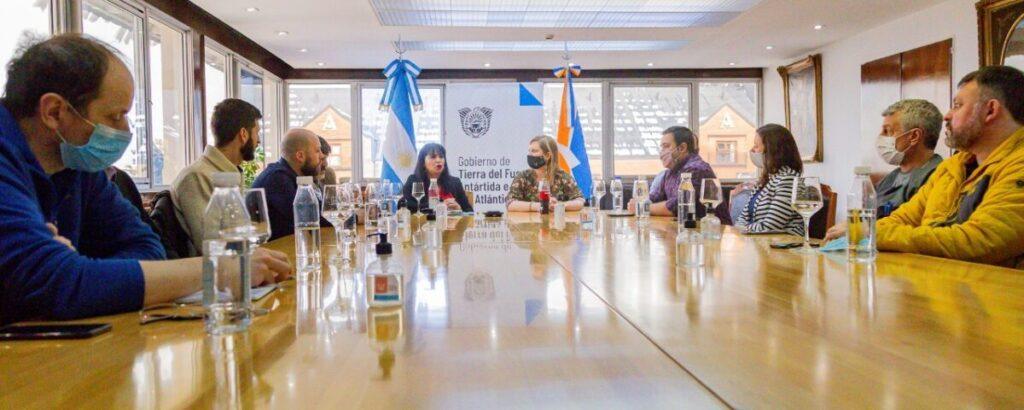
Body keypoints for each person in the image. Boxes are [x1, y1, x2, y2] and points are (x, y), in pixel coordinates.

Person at [0, 34, 289, 325]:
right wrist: (222, 270)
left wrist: (79, 272)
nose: (126, 130)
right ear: (54, 112)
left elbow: (149, 250)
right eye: (115, 116)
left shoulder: (79, 166)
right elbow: (55, 283)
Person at [874, 66, 1024, 268]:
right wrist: (870, 232)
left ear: (990, 110)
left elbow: (978, 241)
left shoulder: (1018, 164)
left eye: (957, 105)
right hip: (937, 280)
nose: (947, 115)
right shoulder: (953, 165)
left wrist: (878, 235)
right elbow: (904, 217)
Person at [824, 99, 943, 241]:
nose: (880, 137)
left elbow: (920, 234)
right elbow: (866, 219)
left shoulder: (939, 177)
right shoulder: (890, 178)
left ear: (914, 136)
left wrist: (862, 230)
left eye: (887, 131)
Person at [171, 98, 261, 255]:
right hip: (213, 269)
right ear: (244, 134)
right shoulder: (197, 176)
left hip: (236, 264)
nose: (258, 140)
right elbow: (211, 246)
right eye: (257, 133)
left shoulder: (228, 172)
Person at [630, 125, 730, 222]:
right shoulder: (670, 172)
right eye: (662, 148)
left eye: (666, 146)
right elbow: (654, 199)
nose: (662, 153)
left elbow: (677, 206)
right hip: (688, 229)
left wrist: (641, 207)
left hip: (714, 230)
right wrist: (640, 202)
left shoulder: (697, 169)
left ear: (682, 148)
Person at [252, 128, 328, 240]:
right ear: (300, 156)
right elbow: (313, 220)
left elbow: (321, 213)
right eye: (318, 151)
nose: (322, 156)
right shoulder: (277, 179)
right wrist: (352, 217)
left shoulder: (292, 177)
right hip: (273, 249)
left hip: (287, 246)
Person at [735, 124, 805, 236]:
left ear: (772, 150)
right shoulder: (767, 178)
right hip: (759, 240)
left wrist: (743, 229)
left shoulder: (789, 180)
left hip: (783, 244)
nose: (752, 150)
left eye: (756, 146)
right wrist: (739, 229)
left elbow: (771, 226)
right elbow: (742, 218)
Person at [506, 135, 584, 212]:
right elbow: (510, 203)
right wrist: (539, 206)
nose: (529, 154)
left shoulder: (562, 177)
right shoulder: (523, 177)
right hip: (529, 220)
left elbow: (580, 201)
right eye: (529, 151)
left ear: (547, 155)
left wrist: (559, 205)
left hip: (555, 220)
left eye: (534, 151)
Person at [402, 143, 473, 212]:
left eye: (441, 157)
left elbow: (469, 211)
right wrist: (438, 206)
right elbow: (406, 205)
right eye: (433, 157)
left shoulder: (455, 182)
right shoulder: (413, 180)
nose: (438, 160)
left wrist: (459, 209)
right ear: (423, 162)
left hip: (450, 220)